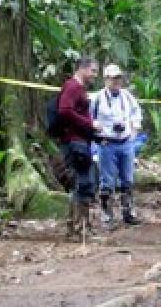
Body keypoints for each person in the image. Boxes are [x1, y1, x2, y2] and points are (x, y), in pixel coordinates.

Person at [92, 64, 143, 226]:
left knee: (127, 179)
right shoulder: (97, 98)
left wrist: (134, 130)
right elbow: (89, 119)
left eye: (118, 78)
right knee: (107, 181)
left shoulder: (127, 96)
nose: (116, 82)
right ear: (106, 79)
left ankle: (128, 213)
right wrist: (96, 134)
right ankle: (107, 216)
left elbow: (136, 113)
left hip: (126, 142)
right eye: (113, 79)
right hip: (107, 144)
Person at [57, 58, 103, 240]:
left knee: (83, 183)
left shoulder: (77, 88)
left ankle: (77, 228)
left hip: (81, 141)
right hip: (75, 143)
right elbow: (65, 110)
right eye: (93, 70)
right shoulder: (73, 87)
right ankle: (79, 230)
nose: (94, 75)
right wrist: (90, 123)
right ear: (82, 69)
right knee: (84, 183)